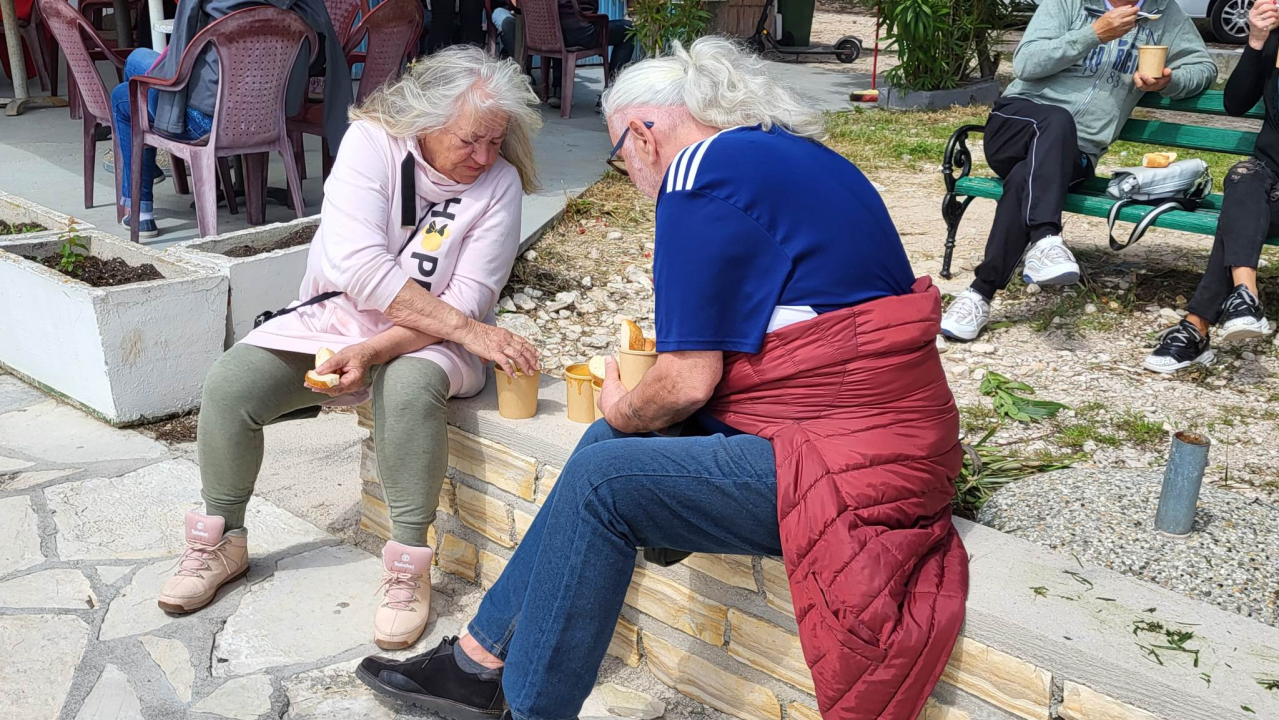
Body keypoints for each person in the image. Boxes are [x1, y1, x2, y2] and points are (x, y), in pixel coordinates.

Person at [356, 37, 967, 720]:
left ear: (643, 135)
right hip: (886, 438)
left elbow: (683, 382)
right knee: (602, 451)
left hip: (846, 466)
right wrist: (617, 423)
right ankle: (477, 663)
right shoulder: (792, 154)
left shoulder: (698, 174)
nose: (632, 178)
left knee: (603, 478)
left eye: (619, 157)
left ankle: (530, 710)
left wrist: (620, 407)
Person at [155, 47, 543, 652]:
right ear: (424, 119)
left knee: (411, 384)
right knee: (232, 384)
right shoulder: (372, 143)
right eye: (471, 141)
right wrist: (459, 334)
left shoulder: (500, 184)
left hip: (431, 335)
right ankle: (221, 539)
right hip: (339, 315)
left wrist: (378, 351)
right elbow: (360, 270)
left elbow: (466, 301)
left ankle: (408, 565)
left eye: (496, 140)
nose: (485, 156)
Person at [940, 0, 1216, 341]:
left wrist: (1168, 82)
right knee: (1056, 120)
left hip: (1077, 153)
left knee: (1027, 178)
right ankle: (1045, 237)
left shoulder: (1165, 15)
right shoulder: (1068, 3)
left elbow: (1203, 67)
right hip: (1017, 124)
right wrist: (1094, 34)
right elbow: (1026, 63)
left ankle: (979, 294)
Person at [111, 0, 352, 239]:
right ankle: (146, 170)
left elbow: (180, 48)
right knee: (138, 61)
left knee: (124, 95)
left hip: (206, 121)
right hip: (270, 117)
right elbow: (319, 53)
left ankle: (140, 209)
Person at [1144, 0, 1279, 372]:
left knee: (1239, 213)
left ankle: (1196, 325)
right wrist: (1255, 40)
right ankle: (1245, 296)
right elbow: (1235, 102)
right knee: (1243, 178)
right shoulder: (1274, 37)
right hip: (1267, 179)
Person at [546, 0, 634, 109]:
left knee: (563, 18)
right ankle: (610, 94)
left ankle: (558, 90)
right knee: (629, 30)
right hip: (581, 35)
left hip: (550, 36)